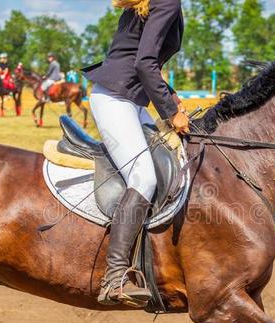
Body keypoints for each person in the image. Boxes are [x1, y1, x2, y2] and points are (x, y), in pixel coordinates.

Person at [83, 0, 189, 307]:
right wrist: (170, 112)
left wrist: (170, 95)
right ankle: (114, 277)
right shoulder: (167, 1)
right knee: (143, 178)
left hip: (129, 99)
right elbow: (144, 62)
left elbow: (137, 58)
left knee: (173, 158)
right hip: (117, 99)